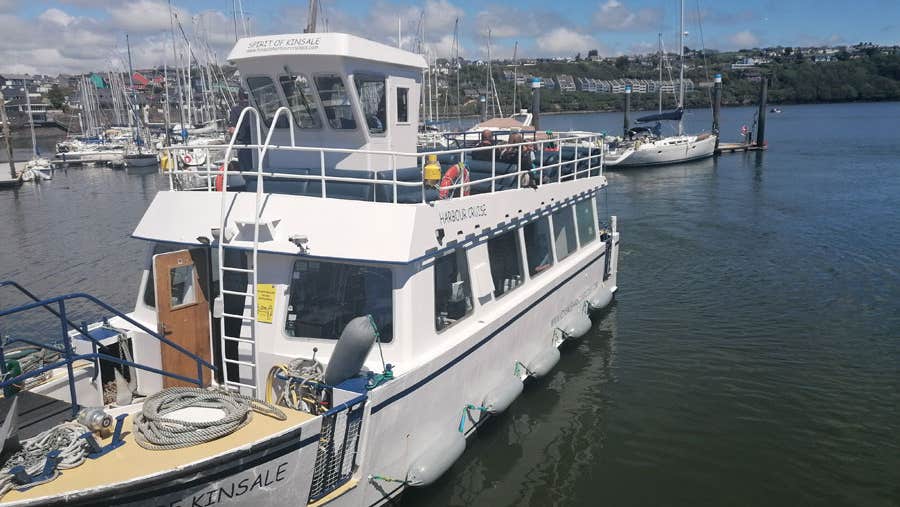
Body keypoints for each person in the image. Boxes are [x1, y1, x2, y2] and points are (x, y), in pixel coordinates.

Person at [228, 90, 252, 172]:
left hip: (242, 142)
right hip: (256, 140)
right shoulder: (254, 108)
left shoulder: (235, 110)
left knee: (246, 168)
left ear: (239, 97)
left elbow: (232, 130)